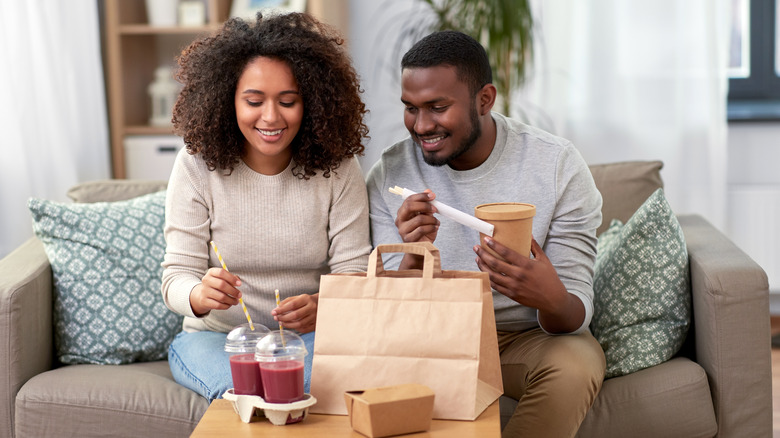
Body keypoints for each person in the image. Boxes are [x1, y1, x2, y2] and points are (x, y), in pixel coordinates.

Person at [365, 30, 605, 437]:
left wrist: (549, 296)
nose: (421, 126)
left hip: (524, 339)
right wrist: (411, 253)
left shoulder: (557, 166)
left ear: (485, 99)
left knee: (577, 363)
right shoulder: (391, 175)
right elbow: (385, 315)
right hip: (431, 339)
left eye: (437, 107)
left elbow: (574, 314)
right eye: (411, 108)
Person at [162, 12, 372, 402]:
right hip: (218, 340)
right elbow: (176, 276)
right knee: (246, 390)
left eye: (288, 101)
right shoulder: (195, 166)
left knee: (304, 386)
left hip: (308, 338)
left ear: (312, 102)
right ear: (227, 100)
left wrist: (323, 306)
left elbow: (354, 272)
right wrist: (199, 295)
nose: (271, 117)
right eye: (254, 101)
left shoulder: (339, 168)